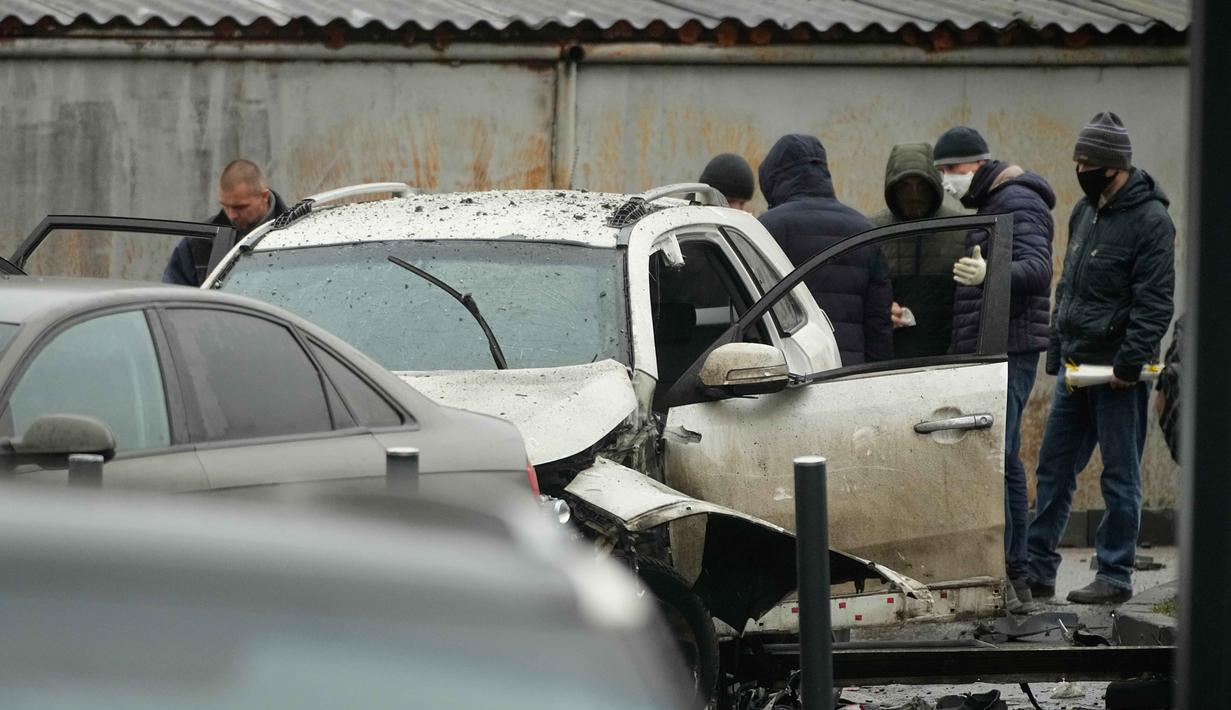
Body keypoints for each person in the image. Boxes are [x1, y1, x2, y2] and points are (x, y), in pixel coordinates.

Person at [1027, 112, 1175, 605]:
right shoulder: (1084, 212)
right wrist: (1057, 354)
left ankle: (1114, 575)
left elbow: (1154, 301)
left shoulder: (1152, 221)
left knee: (1119, 476)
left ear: (1116, 166)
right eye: (1078, 159)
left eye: (1088, 161)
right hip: (1077, 367)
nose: (1080, 168)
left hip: (1117, 375)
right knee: (1053, 469)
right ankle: (1038, 570)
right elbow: (1067, 287)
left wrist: (1129, 365)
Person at [933, 126, 1056, 613]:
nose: (947, 181)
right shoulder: (993, 202)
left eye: (952, 170)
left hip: (1009, 347)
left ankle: (1016, 575)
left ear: (978, 164)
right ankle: (1006, 573)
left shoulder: (1017, 201)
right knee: (995, 460)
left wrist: (991, 275)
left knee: (1002, 461)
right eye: (942, 171)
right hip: (994, 345)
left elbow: (1038, 269)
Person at [758, 134, 892, 365]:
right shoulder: (865, 229)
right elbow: (879, 323)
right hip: (849, 375)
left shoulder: (768, 228)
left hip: (791, 372)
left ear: (772, 177)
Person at [869, 142, 969, 358]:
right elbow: (857, 293)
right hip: (886, 360)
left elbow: (972, 302)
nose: (913, 194)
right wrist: (879, 311)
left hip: (948, 359)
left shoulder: (960, 229)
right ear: (892, 188)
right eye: (905, 185)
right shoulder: (873, 232)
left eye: (921, 185)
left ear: (934, 185)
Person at [162, 159, 288, 286]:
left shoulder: (294, 234)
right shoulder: (199, 242)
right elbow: (173, 296)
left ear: (264, 197)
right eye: (225, 206)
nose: (232, 215)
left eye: (240, 207)